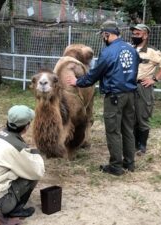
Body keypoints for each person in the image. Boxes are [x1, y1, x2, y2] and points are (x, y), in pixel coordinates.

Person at [67, 20, 139, 176]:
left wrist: (78, 81)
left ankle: (115, 166)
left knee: (113, 131)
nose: (102, 38)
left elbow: (95, 74)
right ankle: (129, 163)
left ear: (107, 34)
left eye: (103, 36)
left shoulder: (108, 52)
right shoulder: (131, 50)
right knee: (127, 129)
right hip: (131, 95)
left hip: (114, 96)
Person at [0, 105, 45, 224]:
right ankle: (14, 209)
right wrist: (35, 153)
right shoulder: (16, 147)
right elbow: (38, 171)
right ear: (26, 127)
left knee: (17, 169)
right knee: (32, 174)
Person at [130, 24, 161, 155]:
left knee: (142, 116)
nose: (134, 36)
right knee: (130, 116)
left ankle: (142, 146)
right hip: (128, 86)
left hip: (143, 87)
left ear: (145, 35)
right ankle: (132, 144)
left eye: (138, 34)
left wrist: (155, 79)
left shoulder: (152, 51)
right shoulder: (129, 48)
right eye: (134, 33)